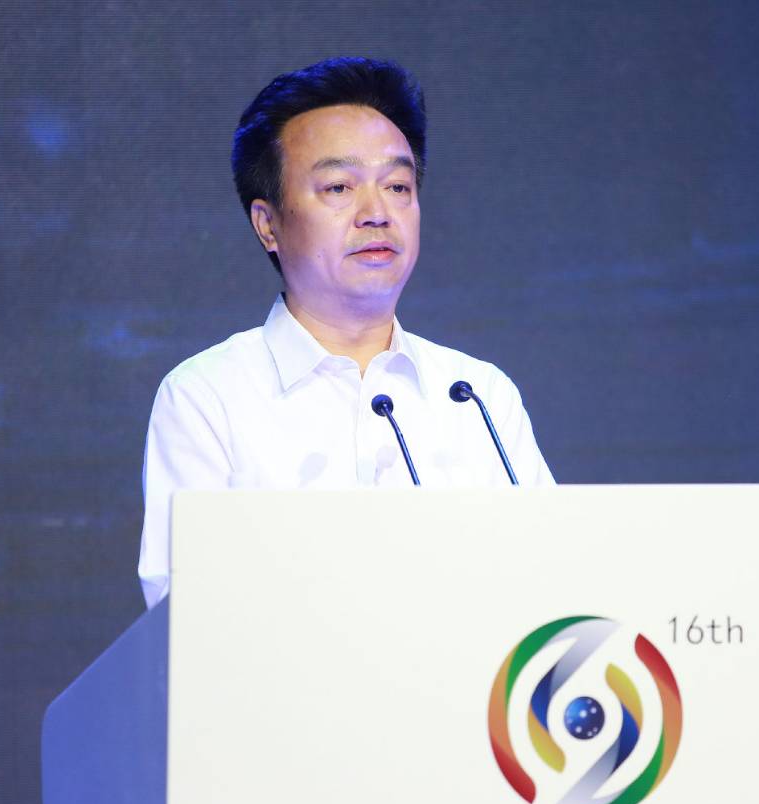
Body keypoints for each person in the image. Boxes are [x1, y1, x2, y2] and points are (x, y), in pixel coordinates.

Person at [137, 57, 554, 607]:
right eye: (338, 187)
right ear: (268, 224)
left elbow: (551, 582)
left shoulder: (479, 397)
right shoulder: (207, 397)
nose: (377, 212)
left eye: (398, 186)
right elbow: (186, 615)